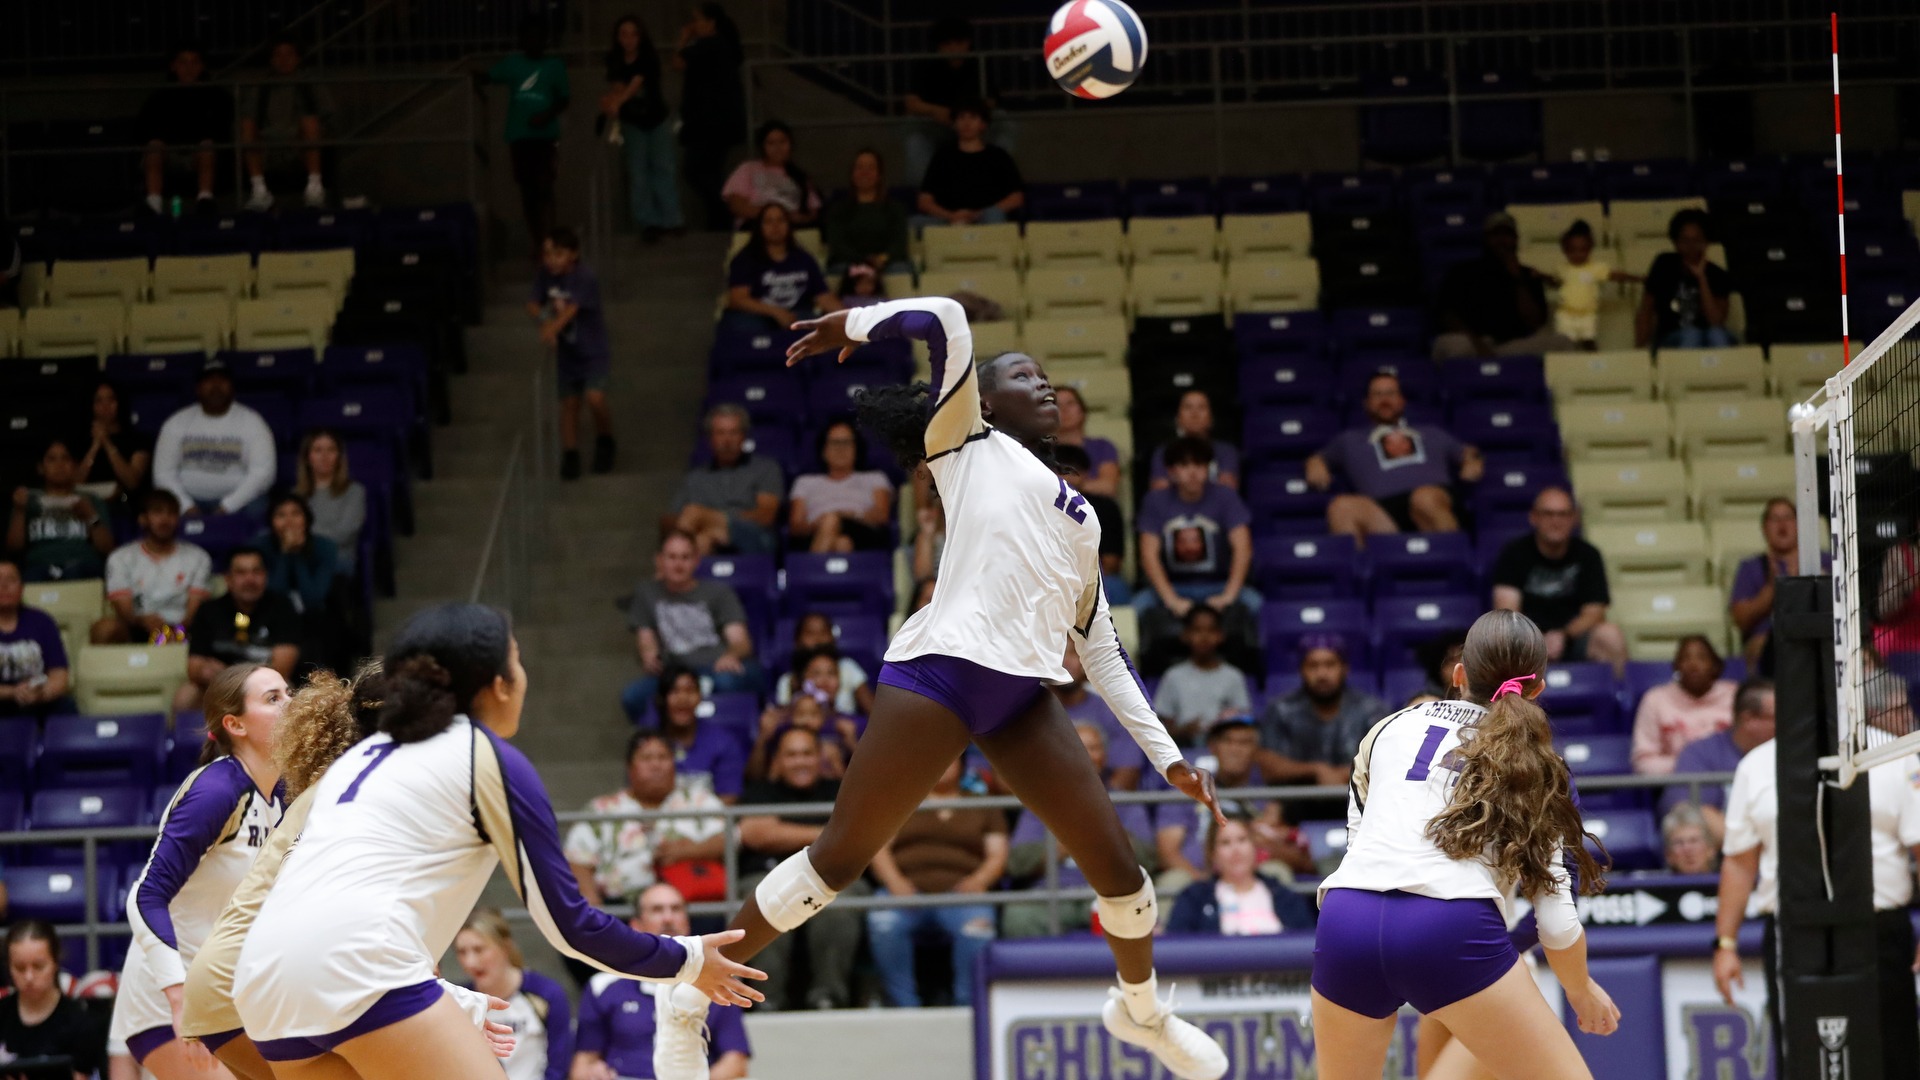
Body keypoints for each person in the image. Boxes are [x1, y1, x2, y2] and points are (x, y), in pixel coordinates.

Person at [658, 297, 1229, 1080]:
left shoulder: (1085, 518)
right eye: (1026, 374)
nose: (1048, 384)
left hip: (1021, 697)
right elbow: (945, 316)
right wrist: (855, 325)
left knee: (1124, 879)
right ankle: (687, 994)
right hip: (937, 675)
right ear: (983, 398)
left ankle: (1143, 1012)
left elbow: (1100, 649)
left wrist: (1168, 761)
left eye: (1048, 375)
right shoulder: (966, 440)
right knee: (836, 862)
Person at [227, 604, 763, 1078]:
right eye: (518, 660)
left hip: (264, 983)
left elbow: (342, 908)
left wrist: (445, 1003)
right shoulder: (483, 755)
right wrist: (687, 958)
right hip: (355, 969)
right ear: (498, 682)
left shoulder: (357, 760)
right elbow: (569, 925)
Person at [177, 662, 525, 1080]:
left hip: (236, 979)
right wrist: (458, 1008)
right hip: (249, 979)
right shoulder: (370, 795)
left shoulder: (341, 789)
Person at [1312, 609, 1619, 1078]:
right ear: (1538, 689)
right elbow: (1556, 921)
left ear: (1458, 674)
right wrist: (1579, 990)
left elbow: (1360, 842)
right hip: (1451, 929)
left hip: (1345, 920)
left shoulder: (1389, 727)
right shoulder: (1540, 764)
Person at [1713, 689, 1920, 1077]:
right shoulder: (1756, 765)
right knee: (1803, 1057)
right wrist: (1725, 943)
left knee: (1893, 1053)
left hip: (1878, 929)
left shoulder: (1895, 754)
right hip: (1793, 933)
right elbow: (1739, 862)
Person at [109, 664, 288, 1080]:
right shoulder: (216, 791)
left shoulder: (281, 794)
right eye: (272, 698)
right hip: (169, 1000)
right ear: (234, 724)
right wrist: (178, 999)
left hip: (230, 997)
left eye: (288, 692)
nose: (290, 705)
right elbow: (144, 897)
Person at [733, 726, 870, 1012]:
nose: (800, 761)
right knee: (767, 899)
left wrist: (782, 832)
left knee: (841, 906)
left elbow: (861, 834)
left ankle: (828, 998)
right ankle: (767, 1001)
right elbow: (755, 833)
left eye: (807, 753)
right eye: (791, 754)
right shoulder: (761, 791)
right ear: (778, 761)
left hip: (833, 881)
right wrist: (829, 836)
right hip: (767, 876)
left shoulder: (841, 790)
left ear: (820, 757)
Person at [866, 755, 1008, 1007]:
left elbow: (998, 854)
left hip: (963, 894)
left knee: (977, 927)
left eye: (950, 759)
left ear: (963, 766)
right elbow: (879, 848)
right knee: (883, 922)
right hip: (906, 892)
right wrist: (894, 881)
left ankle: (968, 1004)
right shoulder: (901, 801)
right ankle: (903, 1005)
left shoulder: (984, 804)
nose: (943, 765)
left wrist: (980, 880)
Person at [572, 884, 752, 1080]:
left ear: (687, 922)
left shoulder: (714, 982)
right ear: (636, 925)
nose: (668, 918)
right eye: (657, 910)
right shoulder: (602, 986)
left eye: (676, 909)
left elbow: (735, 1064)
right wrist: (593, 1072)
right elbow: (582, 1066)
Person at [1001, 720, 1157, 938]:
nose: (1084, 754)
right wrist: (1071, 843)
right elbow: (1018, 862)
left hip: (1115, 892)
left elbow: (1148, 859)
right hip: (1054, 892)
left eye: (1092, 748)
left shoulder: (1125, 802)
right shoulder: (1039, 800)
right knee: (1019, 915)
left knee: (1143, 911)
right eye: (1075, 745)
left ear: (1104, 755)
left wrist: (1106, 835)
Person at [1307, 371, 1483, 544]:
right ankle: (1361, 571)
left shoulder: (1431, 432)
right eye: (1377, 394)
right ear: (1366, 403)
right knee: (1341, 507)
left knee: (1423, 498)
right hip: (1384, 512)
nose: (1385, 400)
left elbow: (1468, 452)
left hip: (1432, 498)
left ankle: (1453, 559)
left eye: (1391, 393)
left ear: (1402, 401)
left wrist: (1471, 461)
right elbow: (1319, 457)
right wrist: (1314, 464)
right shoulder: (1349, 440)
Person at [565, 729, 728, 908]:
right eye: (646, 758)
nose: (656, 765)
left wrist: (687, 851)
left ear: (674, 764)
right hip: (620, 908)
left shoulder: (699, 800)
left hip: (691, 906)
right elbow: (577, 858)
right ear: (630, 768)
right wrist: (590, 902)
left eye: (663, 757)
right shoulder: (600, 809)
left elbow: (729, 839)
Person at [619, 531, 761, 717]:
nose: (678, 564)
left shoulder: (718, 592)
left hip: (715, 666)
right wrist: (649, 656)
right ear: (659, 560)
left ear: (697, 561)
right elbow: (646, 639)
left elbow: (741, 641)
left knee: (726, 682)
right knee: (632, 697)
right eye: (672, 557)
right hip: (674, 673)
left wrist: (730, 655)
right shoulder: (646, 593)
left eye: (685, 557)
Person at [1489, 487, 1628, 676]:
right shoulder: (1514, 553)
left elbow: (1595, 612)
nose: (1556, 521)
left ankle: (1620, 700)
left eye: (1563, 514)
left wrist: (1563, 635)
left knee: (1610, 635)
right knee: (1503, 637)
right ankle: (1510, 704)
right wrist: (1537, 640)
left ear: (1574, 518)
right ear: (1534, 517)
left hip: (1573, 636)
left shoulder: (1588, 555)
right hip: (1526, 639)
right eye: (1548, 514)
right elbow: (1507, 612)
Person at [1155, 718, 1304, 894]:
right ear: (1213, 747)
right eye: (1228, 741)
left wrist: (1264, 839)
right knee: (1172, 880)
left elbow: (1300, 860)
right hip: (1197, 881)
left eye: (1244, 742)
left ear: (1256, 751)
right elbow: (1168, 852)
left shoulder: (1269, 802)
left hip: (1251, 882)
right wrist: (1204, 886)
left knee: (1278, 871)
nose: (1235, 749)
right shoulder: (1184, 792)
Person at [1134, 437, 1258, 618]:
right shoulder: (1154, 501)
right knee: (1135, 610)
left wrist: (1229, 596)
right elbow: (1148, 555)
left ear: (1208, 468)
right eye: (1184, 466)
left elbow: (1243, 549)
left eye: (1199, 465)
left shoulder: (1227, 497)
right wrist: (1171, 600)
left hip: (1219, 583)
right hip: (1173, 584)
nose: (1192, 472)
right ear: (1171, 471)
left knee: (1256, 605)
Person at [529, 227, 616, 479]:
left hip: (592, 350)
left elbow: (571, 311)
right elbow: (533, 302)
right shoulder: (545, 274)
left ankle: (605, 440)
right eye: (547, 254)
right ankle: (570, 454)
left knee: (595, 397)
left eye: (558, 253)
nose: (551, 259)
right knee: (569, 403)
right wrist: (545, 318)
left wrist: (550, 329)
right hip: (568, 353)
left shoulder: (584, 277)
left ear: (573, 254)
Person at [1431, 212, 1575, 360]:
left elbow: (1534, 322)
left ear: (1515, 240)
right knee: (1456, 345)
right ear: (1486, 239)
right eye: (1496, 235)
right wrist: (1478, 343)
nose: (1501, 241)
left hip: (1508, 347)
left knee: (1562, 343)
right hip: (1470, 343)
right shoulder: (1463, 271)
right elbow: (1446, 315)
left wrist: (1517, 279)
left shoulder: (1527, 275)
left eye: (1507, 235)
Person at [486, 15, 570, 259]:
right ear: (522, 40)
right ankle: (538, 243)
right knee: (528, 192)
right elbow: (488, 76)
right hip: (519, 138)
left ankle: (551, 241)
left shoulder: (554, 65)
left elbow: (564, 98)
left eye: (539, 36)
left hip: (545, 137)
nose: (534, 41)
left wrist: (546, 115)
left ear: (545, 40)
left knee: (545, 187)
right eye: (529, 36)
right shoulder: (512, 63)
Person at [1258, 635, 1390, 788]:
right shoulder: (1281, 710)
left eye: (1330, 665)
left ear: (1345, 669)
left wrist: (1340, 774)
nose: (1321, 674)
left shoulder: (1370, 709)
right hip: (1296, 803)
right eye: (1313, 666)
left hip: (1358, 802)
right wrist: (1315, 770)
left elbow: (1386, 762)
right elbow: (1268, 766)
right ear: (1301, 670)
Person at [454, 909, 572, 1080]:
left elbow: (558, 1067)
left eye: (479, 950)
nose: (470, 962)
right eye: (462, 952)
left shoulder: (546, 994)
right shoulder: (458, 1001)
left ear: (505, 947)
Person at [152, 359, 277, 521]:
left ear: (232, 387)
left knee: (259, 506)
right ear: (197, 388)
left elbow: (263, 475)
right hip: (188, 500)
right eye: (209, 381)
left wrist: (227, 507)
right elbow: (162, 474)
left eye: (222, 380)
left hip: (239, 501)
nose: (216, 386)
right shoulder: (176, 423)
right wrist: (187, 506)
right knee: (159, 506)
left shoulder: (253, 422)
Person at [179, 547, 300, 713]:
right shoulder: (209, 610)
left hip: (265, 686)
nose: (249, 579)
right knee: (187, 694)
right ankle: (184, 740)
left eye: (256, 572)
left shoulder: (282, 608)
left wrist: (229, 676)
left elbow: (282, 668)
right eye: (241, 573)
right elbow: (194, 668)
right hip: (219, 688)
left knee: (286, 688)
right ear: (228, 579)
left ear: (265, 576)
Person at [1165, 813, 1319, 935]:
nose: (1236, 850)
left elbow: (1307, 946)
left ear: (1254, 847)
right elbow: (1177, 947)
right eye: (1225, 843)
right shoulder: (1194, 899)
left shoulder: (1284, 896)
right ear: (1213, 853)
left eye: (1242, 840)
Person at [94, 490, 212, 644]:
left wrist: (174, 630)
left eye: (171, 513)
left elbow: (194, 613)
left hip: (183, 630)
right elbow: (125, 611)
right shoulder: (120, 558)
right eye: (158, 512)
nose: (165, 519)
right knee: (104, 628)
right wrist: (141, 620)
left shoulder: (198, 557)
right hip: (138, 628)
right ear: (143, 519)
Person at [601, 15, 682, 240]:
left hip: (656, 118)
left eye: (633, 34)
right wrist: (612, 100)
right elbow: (618, 85)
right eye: (623, 34)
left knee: (663, 168)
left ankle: (671, 219)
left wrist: (617, 100)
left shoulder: (648, 57)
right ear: (617, 37)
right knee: (638, 173)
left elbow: (636, 82)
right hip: (632, 122)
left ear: (640, 36)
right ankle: (648, 222)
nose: (628, 39)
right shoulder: (614, 59)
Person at [1658, 677, 1775, 830]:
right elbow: (1685, 811)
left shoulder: (1789, 754)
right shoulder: (1701, 753)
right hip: (1726, 851)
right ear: (1749, 719)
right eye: (1776, 717)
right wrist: (1751, 845)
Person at [665, 406, 785, 555]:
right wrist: (710, 524)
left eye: (734, 433)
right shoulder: (695, 477)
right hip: (708, 536)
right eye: (720, 433)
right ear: (710, 439)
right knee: (704, 538)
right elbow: (672, 519)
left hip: (756, 538)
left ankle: (668, 568)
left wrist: (710, 517)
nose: (727, 440)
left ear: (744, 437)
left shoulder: (766, 468)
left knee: (694, 513)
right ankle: (684, 572)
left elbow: (766, 516)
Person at [903, 17, 1006, 185]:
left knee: (1004, 120)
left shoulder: (979, 62)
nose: (953, 48)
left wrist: (969, 114)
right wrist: (935, 110)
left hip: (973, 125)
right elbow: (911, 102)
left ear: (968, 43)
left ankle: (999, 181)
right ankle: (922, 190)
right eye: (947, 43)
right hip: (936, 125)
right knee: (913, 131)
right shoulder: (925, 64)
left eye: (959, 42)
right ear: (938, 46)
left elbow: (992, 101)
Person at [1730, 497, 1827, 670]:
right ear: (1764, 528)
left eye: (1788, 518)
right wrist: (1772, 590)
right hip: (1768, 642)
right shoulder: (1751, 567)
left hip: (1818, 634)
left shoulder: (1824, 561)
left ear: (1799, 525)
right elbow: (1741, 620)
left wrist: (1815, 583)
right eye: (1775, 519)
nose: (1782, 524)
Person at [674, 2, 747, 232]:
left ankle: (725, 212)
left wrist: (683, 39)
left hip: (709, 123)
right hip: (721, 121)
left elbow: (677, 62)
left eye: (697, 20)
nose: (693, 25)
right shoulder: (724, 45)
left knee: (695, 169)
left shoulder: (709, 45)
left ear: (710, 22)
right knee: (711, 170)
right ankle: (718, 219)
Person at [2, 922, 105, 1079]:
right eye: (20, 967)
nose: (29, 977)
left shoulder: (81, 1023)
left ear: (55, 962)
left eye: (38, 966)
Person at [239, 37, 331, 211]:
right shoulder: (260, 88)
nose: (284, 60)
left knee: (310, 123)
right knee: (247, 127)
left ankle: (314, 188)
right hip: (268, 147)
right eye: (278, 55)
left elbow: (326, 118)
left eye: (289, 54)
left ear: (298, 58)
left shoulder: (311, 85)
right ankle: (259, 190)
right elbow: (249, 119)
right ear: (272, 60)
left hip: (301, 146)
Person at [139, 44, 232, 216]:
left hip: (201, 155)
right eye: (183, 63)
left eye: (194, 62)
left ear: (202, 66)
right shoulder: (158, 98)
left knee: (207, 146)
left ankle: (205, 200)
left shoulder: (217, 96)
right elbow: (148, 131)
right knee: (154, 147)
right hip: (169, 154)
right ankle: (153, 203)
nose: (189, 68)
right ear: (173, 66)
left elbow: (222, 132)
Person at [722, 203, 841, 333]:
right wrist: (776, 312)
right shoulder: (745, 259)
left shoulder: (804, 259)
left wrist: (850, 320)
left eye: (781, 220)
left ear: (789, 225)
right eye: (769, 221)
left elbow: (823, 296)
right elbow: (738, 299)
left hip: (798, 314)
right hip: (757, 316)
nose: (775, 226)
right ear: (759, 227)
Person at [8, 437, 113, 582]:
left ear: (75, 466)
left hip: (82, 565)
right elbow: (14, 548)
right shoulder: (28, 500)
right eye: (52, 459)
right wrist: (19, 511)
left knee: (76, 572)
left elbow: (107, 548)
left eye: (66, 458)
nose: (60, 465)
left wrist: (91, 515)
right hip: (39, 566)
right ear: (41, 467)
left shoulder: (90, 500)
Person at [1630, 635, 1738, 775]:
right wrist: (1693, 765)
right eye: (1685, 658)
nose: (1693, 665)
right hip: (1677, 784)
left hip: (1730, 782)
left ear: (1715, 666)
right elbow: (1643, 763)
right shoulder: (1655, 699)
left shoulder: (1736, 695)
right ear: (1676, 666)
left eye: (1701, 657)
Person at [261, 493, 343, 668]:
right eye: (281, 515)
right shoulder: (259, 547)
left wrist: (296, 555)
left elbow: (313, 598)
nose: (289, 521)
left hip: (314, 618)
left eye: (296, 514)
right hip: (270, 617)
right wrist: (285, 554)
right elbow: (273, 595)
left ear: (307, 519)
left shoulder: (325, 547)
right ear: (271, 522)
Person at [1636, 208, 1735, 349]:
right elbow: (1646, 309)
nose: (1691, 247)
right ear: (1675, 243)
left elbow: (1716, 321)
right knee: (1692, 335)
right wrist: (1640, 349)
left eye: (1697, 240)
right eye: (1685, 240)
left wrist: (1702, 278)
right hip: (1671, 338)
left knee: (1717, 334)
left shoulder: (1717, 274)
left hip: (1709, 336)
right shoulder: (1663, 264)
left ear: (1706, 242)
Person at [788, 420, 894, 553]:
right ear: (823, 450)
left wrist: (846, 516)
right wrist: (821, 524)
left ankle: (811, 571)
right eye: (834, 443)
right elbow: (796, 526)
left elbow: (881, 518)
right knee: (842, 544)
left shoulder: (875, 478)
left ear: (857, 449)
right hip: (814, 532)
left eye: (847, 442)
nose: (840, 448)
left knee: (832, 521)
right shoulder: (804, 482)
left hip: (863, 532)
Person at [1153, 606, 1252, 744]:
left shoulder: (1233, 676)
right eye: (1197, 630)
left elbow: (1243, 721)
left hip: (1224, 749)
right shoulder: (1173, 676)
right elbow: (1162, 726)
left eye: (1211, 630)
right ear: (1185, 635)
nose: (1204, 637)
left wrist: (1219, 729)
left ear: (1220, 635)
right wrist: (1183, 731)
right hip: (1183, 751)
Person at [649, 665, 749, 801]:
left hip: (710, 821)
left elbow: (728, 801)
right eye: (674, 691)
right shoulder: (648, 745)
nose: (682, 699)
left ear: (700, 697)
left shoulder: (723, 742)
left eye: (690, 691)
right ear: (662, 699)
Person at [916, 102, 1024, 226]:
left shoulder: (998, 156)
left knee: (995, 215)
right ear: (954, 123)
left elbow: (1016, 197)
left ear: (983, 124)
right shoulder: (943, 156)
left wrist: (977, 215)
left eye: (972, 117)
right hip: (948, 219)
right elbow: (924, 201)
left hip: (985, 218)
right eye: (961, 117)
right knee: (915, 223)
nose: (966, 123)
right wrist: (951, 216)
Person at [1053, 648, 1145, 790]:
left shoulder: (1113, 710)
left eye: (1073, 653)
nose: (1066, 662)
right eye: (1058, 653)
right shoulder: (1028, 712)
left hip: (1105, 802)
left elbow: (1127, 772)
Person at [1541, 220, 1639, 348]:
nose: (1578, 254)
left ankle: (1591, 365)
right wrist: (1541, 276)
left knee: (1589, 342)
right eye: (1572, 250)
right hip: (1565, 314)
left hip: (1588, 314)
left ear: (1590, 249)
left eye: (1583, 250)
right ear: (1565, 251)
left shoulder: (1595, 268)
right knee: (1565, 345)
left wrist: (1637, 278)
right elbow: (1554, 282)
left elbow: (1614, 275)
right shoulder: (1561, 268)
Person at [1054, 444, 1129, 604]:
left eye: (1073, 472)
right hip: (1048, 578)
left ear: (1087, 475)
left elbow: (1111, 563)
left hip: (1094, 578)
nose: (1067, 479)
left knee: (1115, 588)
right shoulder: (1035, 507)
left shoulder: (1106, 508)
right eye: (1060, 472)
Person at [0, 557, 72, 719]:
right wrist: (13, 693)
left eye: (11, 580)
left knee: (66, 706)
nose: (4, 586)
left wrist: (43, 693)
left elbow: (59, 674)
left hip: (38, 701)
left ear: (22, 587)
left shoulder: (41, 621)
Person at [822, 149, 910, 275]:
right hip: (849, 263)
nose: (865, 173)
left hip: (886, 264)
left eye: (870, 168)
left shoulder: (895, 208)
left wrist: (880, 259)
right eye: (860, 168)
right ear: (852, 174)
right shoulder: (838, 210)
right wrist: (864, 261)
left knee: (899, 270)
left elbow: (899, 245)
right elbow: (838, 246)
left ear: (879, 174)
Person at [294, 429, 368, 575]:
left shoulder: (354, 491)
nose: (324, 456)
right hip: (300, 558)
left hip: (338, 558)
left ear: (339, 457)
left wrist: (303, 536)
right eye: (318, 450)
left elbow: (343, 534)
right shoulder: (295, 496)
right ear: (308, 458)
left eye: (331, 450)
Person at [722, 120, 822, 227]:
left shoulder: (800, 176)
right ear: (763, 147)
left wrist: (795, 218)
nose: (778, 148)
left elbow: (812, 211)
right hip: (756, 225)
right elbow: (736, 205)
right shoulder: (748, 169)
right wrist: (772, 217)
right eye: (771, 143)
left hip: (791, 228)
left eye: (782, 142)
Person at [771, 612, 874, 715]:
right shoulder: (788, 681)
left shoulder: (848, 667)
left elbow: (872, 710)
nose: (818, 639)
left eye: (823, 632)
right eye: (810, 633)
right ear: (797, 641)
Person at [1146, 390, 1240, 493]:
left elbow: (1228, 491)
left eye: (1201, 408)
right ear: (1178, 419)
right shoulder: (1163, 452)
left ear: (1211, 419)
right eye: (1188, 407)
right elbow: (1159, 493)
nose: (1194, 414)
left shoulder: (1226, 452)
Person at [78, 381, 154, 506]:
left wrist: (107, 443)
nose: (105, 406)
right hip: (88, 506)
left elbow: (132, 482)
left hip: (126, 505)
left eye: (111, 400)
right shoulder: (80, 439)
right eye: (99, 401)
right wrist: (95, 446)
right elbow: (74, 483)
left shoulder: (138, 439)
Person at [1053, 386, 1121, 497]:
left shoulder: (1102, 447)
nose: (1064, 410)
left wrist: (1068, 483)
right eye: (1057, 405)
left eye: (1070, 403)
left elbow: (1108, 487)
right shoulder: (1036, 450)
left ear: (1082, 411)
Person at [1661, 803, 1719, 875]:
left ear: (1711, 849)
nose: (1687, 849)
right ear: (1668, 855)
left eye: (1694, 841)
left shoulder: (1729, 884)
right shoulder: (1654, 885)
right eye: (1678, 842)